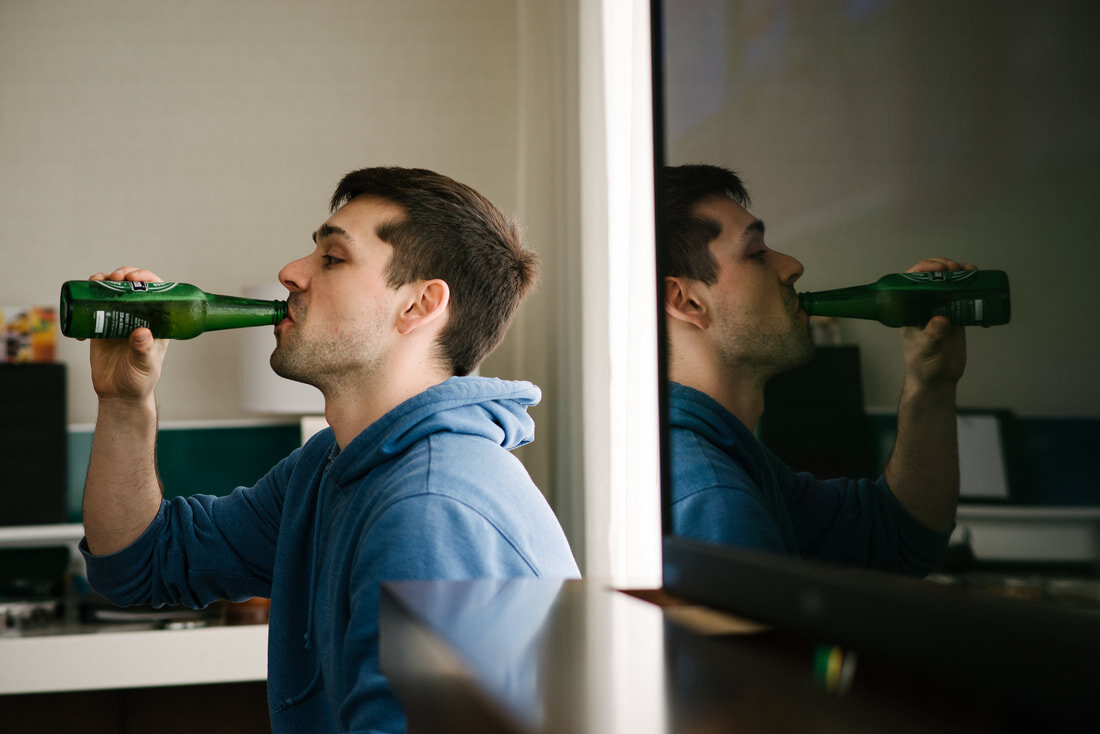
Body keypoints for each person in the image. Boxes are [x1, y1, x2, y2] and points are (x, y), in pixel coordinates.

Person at [78, 166, 580, 733]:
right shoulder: (327, 467)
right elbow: (138, 566)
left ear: (418, 305)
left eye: (333, 258)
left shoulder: (432, 508)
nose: (289, 273)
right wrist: (124, 402)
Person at [661, 163, 968, 576]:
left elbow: (898, 537)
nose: (792, 266)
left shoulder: (734, 459)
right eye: (756, 253)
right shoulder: (716, 499)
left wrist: (930, 383)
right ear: (686, 301)